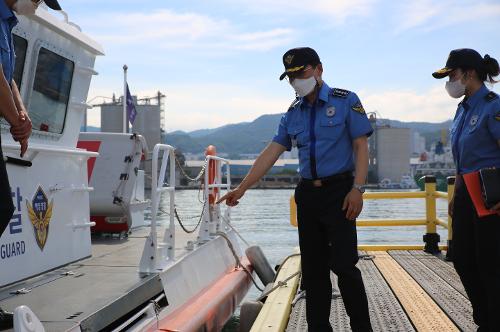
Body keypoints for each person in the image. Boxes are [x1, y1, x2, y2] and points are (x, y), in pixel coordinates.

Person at [218, 47, 373, 331]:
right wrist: (241, 189)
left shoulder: (345, 101)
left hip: (340, 193)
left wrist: (358, 189)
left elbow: (361, 146)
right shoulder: (293, 113)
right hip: (308, 196)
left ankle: (362, 328)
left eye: (301, 73)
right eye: (290, 77)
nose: (296, 81)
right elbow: (271, 153)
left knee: (344, 266)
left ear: (318, 69)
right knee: (313, 272)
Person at [0, 0, 60, 329]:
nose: (37, 3)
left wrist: (21, 113)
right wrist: (16, 122)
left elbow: (6, 78)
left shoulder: (8, 24)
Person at [433, 48, 500, 331]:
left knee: (490, 262)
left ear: (469, 73)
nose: (449, 81)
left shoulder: (492, 106)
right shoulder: (462, 109)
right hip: (466, 194)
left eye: (452, 75)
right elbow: (462, 158)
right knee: (461, 257)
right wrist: (456, 193)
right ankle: (483, 316)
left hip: (489, 195)